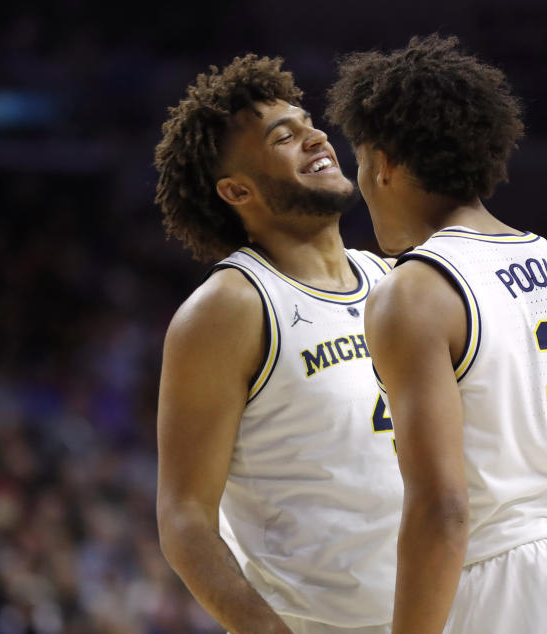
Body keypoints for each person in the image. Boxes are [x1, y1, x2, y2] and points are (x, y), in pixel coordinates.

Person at [326, 35, 547, 633]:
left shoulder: (415, 290)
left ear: (382, 162)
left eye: (358, 161)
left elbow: (443, 511)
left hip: (510, 593)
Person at [153, 55, 402, 634]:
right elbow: (184, 517)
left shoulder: (397, 282)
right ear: (237, 189)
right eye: (283, 137)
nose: (316, 136)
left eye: (308, 122)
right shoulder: (230, 308)